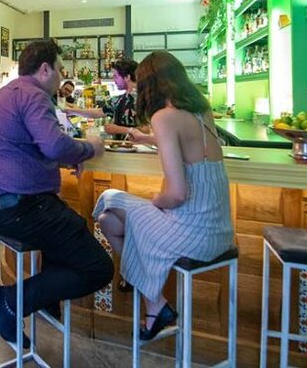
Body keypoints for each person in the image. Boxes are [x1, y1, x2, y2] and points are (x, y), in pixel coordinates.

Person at [94, 51, 234, 341]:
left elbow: (177, 194)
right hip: (219, 232)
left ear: (147, 85)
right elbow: (187, 143)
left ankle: (157, 307)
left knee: (108, 197)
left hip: (190, 231)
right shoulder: (201, 111)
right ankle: (155, 306)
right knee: (109, 221)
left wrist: (154, 204)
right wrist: (145, 138)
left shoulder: (163, 117)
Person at [0, 39, 111, 346]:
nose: (61, 75)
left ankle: (39, 305)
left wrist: (69, 157)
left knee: (68, 230)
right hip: (20, 208)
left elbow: (32, 147)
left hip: (1, 206)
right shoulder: (35, 95)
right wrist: (90, 148)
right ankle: (11, 300)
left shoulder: (9, 92)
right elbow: (53, 144)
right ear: (44, 69)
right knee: (98, 267)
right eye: (60, 69)